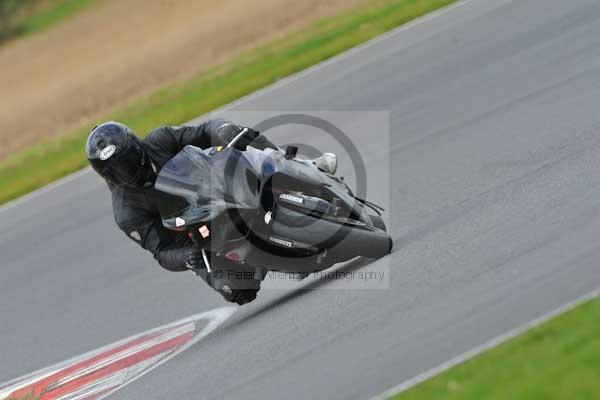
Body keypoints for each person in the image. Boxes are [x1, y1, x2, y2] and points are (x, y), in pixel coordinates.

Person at [85, 120, 277, 305]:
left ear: (136, 146)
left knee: (239, 135)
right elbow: (162, 251)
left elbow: (204, 131)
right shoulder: (127, 212)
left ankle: (284, 166)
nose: (126, 170)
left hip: (217, 187)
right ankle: (256, 263)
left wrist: (223, 130)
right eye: (117, 171)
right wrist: (187, 257)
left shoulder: (160, 140)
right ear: (106, 176)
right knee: (237, 290)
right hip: (198, 235)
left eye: (128, 160)